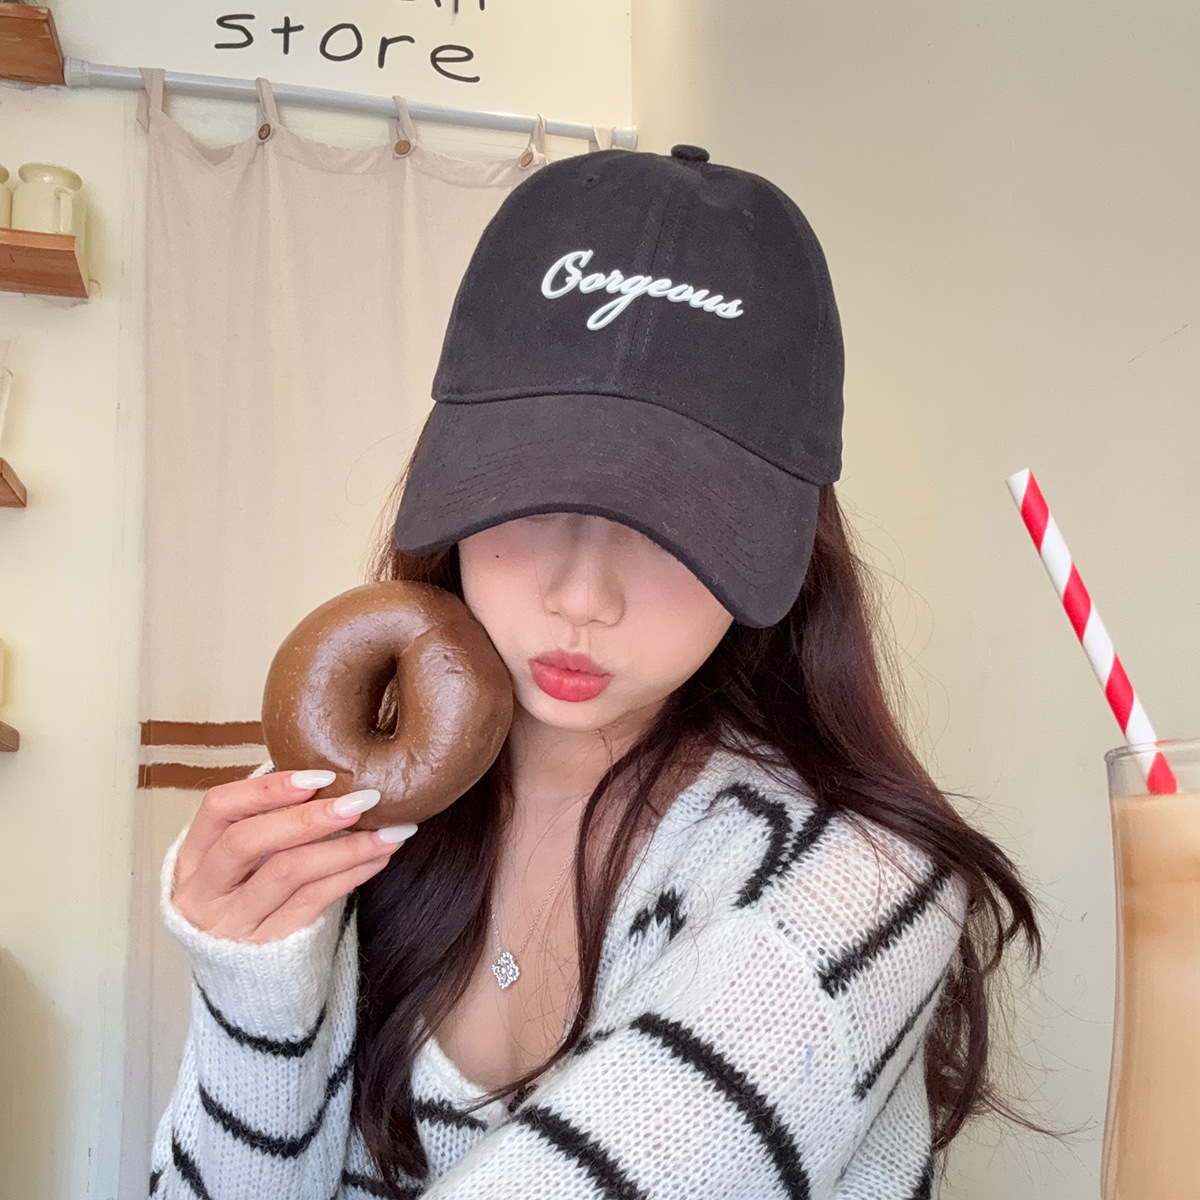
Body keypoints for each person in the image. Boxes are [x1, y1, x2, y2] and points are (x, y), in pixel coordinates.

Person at [149, 144, 1042, 1199]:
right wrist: (256, 983)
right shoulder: (356, 831)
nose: (583, 597)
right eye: (531, 495)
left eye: (674, 520)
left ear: (789, 540)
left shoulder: (855, 889)